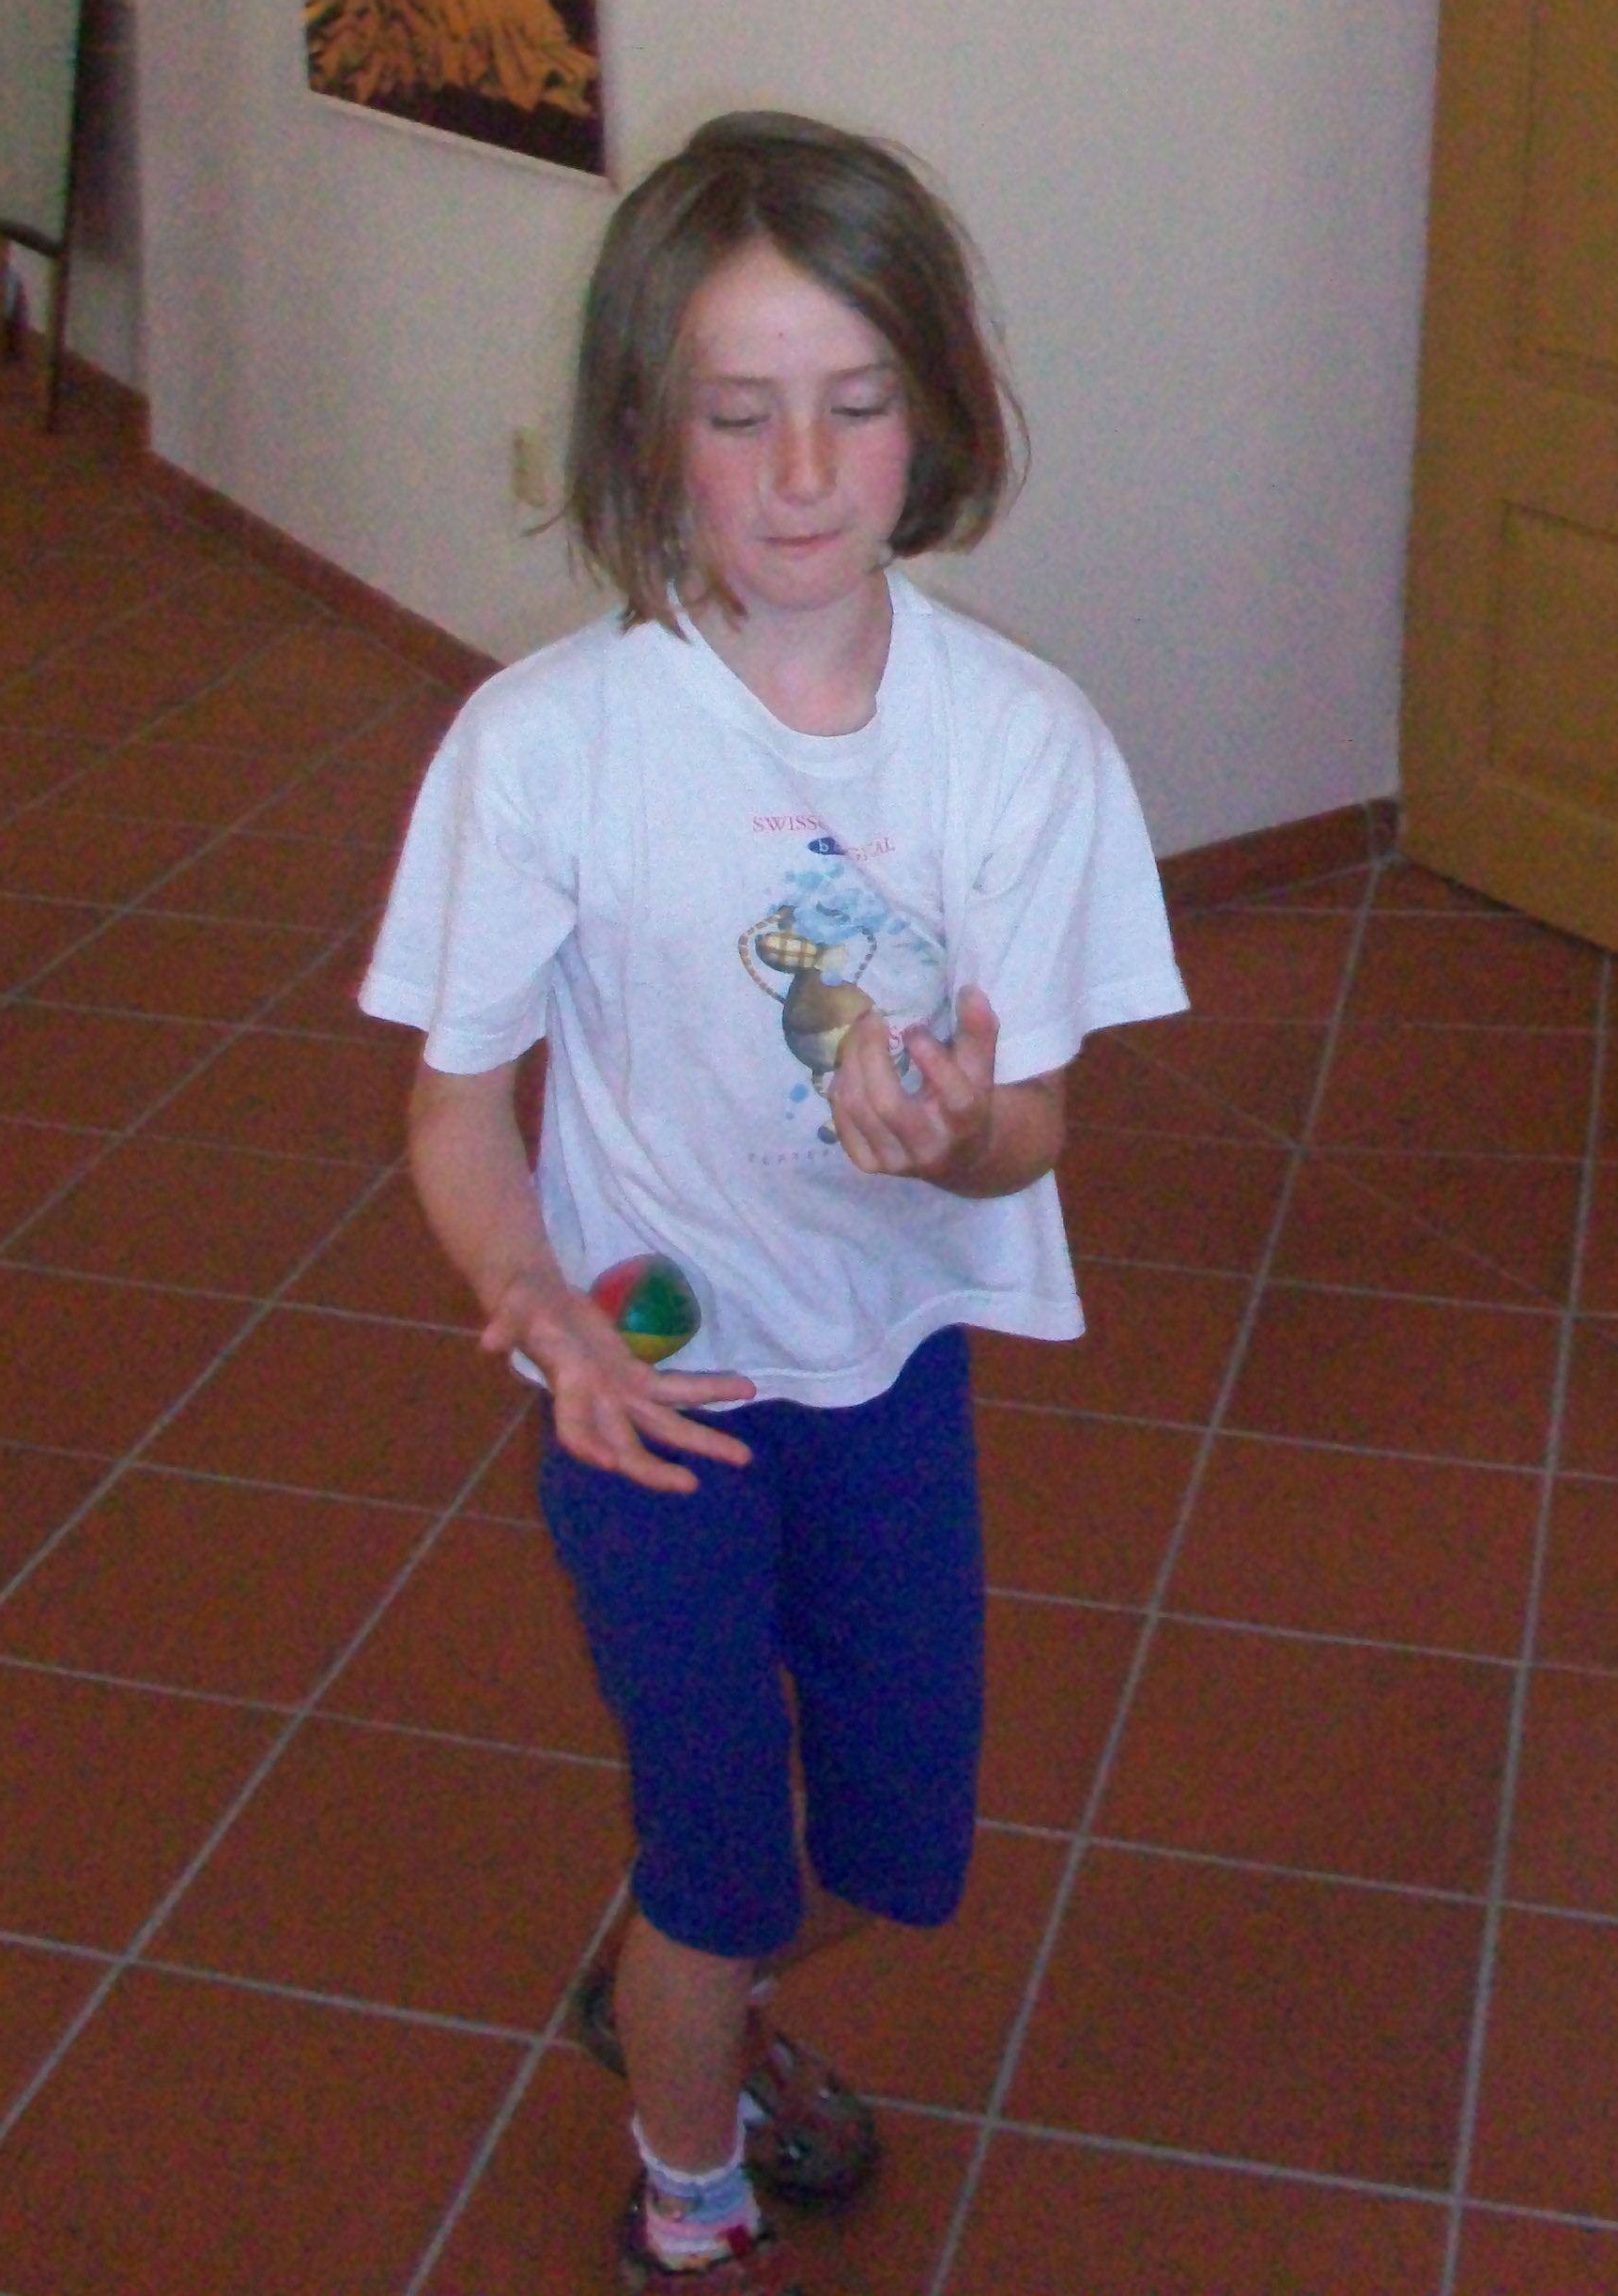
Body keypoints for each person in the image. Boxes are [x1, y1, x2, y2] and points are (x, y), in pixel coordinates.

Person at [361, 112, 1188, 2294]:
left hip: (884, 1365)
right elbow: (455, 1106)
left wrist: (959, 1136)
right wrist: (534, 1294)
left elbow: (1032, 1125)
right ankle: (689, 2185)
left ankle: (675, 1975)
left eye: (855, 401)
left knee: (901, 1849)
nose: (803, 471)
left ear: (936, 409)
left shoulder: (1019, 742)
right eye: (739, 413)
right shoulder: (543, 743)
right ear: (648, 428)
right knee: (721, 1850)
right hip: (649, 1378)